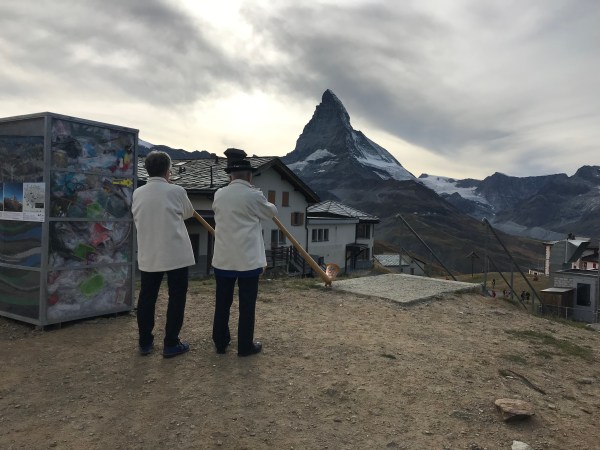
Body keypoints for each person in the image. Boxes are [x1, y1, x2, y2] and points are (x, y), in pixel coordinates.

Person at [211, 148, 278, 357]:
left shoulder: (219, 194)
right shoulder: (253, 195)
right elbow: (271, 212)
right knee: (247, 305)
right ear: (249, 176)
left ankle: (220, 342)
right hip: (248, 260)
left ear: (230, 176)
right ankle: (245, 346)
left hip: (223, 258)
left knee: (222, 303)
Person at [132, 150, 195, 358]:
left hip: (149, 252)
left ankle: (145, 342)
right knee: (176, 297)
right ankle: (171, 343)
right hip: (175, 253)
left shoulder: (138, 193)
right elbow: (188, 213)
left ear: (147, 170)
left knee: (147, 297)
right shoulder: (176, 191)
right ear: (168, 170)